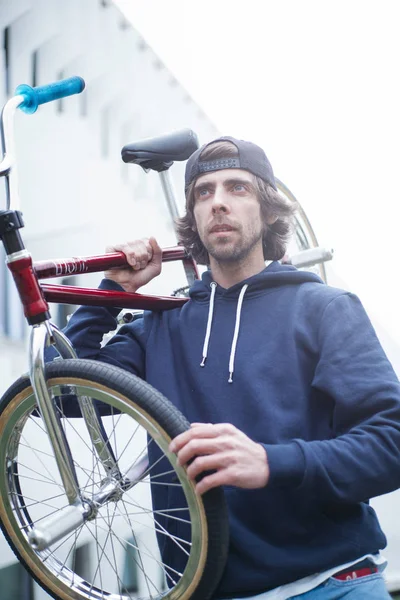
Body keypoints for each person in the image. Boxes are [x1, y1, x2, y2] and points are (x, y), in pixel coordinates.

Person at [60, 136, 400, 599]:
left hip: (332, 584)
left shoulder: (324, 308)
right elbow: (58, 396)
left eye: (237, 188)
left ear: (268, 211)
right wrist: (110, 291)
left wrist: (270, 461)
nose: (218, 202)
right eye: (203, 192)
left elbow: (391, 443)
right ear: (192, 220)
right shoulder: (161, 325)